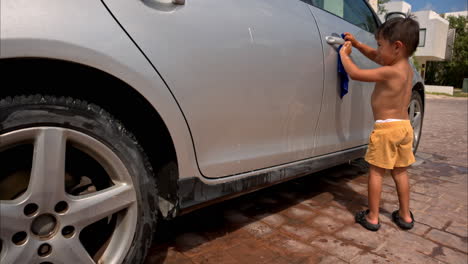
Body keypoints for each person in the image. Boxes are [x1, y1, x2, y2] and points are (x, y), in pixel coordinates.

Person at [339, 15, 420, 231]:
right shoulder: (406, 69)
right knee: (400, 172)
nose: (377, 49)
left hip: (386, 129)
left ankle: (373, 217)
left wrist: (345, 55)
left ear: (397, 47)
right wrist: (356, 44)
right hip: (404, 128)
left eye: (380, 44)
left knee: (376, 172)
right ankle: (405, 215)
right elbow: (376, 56)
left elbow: (355, 73)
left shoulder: (390, 71)